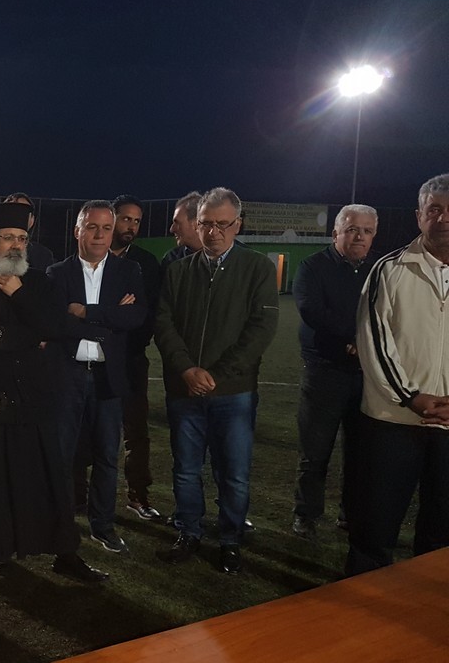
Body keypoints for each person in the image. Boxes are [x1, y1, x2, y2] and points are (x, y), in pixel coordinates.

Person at [0, 201, 106, 582]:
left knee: (51, 480)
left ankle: (65, 553)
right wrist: (28, 336)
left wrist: (19, 294)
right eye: (7, 237)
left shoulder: (39, 282)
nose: (15, 245)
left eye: (21, 238)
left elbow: (56, 328)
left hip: (38, 399)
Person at [155, 188, 278, 573]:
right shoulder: (177, 271)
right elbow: (163, 324)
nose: (214, 232)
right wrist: (186, 370)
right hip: (184, 391)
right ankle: (188, 532)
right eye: (206, 224)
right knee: (185, 469)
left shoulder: (257, 268)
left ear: (238, 224)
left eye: (222, 224)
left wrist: (216, 375)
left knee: (234, 474)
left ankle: (230, 540)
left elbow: (261, 329)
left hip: (234, 393)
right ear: (197, 225)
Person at [348, 173, 449, 576]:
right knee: (375, 526)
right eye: (434, 209)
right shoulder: (389, 270)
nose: (443, 218)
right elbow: (373, 340)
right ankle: (361, 597)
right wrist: (411, 397)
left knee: (441, 528)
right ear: (419, 215)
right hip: (392, 421)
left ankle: (427, 602)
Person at [48, 200, 147, 554]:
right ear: (77, 231)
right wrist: (107, 320)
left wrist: (86, 312)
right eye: (92, 227)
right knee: (62, 455)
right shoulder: (57, 273)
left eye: (106, 228)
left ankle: (102, 526)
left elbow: (135, 317)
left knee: (107, 454)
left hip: (108, 378)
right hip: (68, 376)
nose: (100, 235)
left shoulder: (129, 270)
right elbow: (58, 324)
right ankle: (60, 524)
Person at [290, 204, 378, 539]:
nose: (359, 236)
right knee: (315, 452)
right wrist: (353, 337)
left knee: (360, 451)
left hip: (368, 374)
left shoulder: (380, 268)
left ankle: (351, 514)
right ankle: (306, 514)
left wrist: (363, 342)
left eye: (367, 231)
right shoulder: (312, 267)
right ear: (336, 233)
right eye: (352, 229)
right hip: (324, 372)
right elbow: (312, 310)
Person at [109, 194, 162, 519]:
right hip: (94, 358)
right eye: (126, 219)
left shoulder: (146, 263)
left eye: (137, 221)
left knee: (136, 432)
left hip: (131, 359)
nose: (131, 226)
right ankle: (79, 496)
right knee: (89, 431)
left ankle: (138, 495)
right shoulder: (91, 255)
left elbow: (147, 313)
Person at [162, 191, 205, 268]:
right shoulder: (171, 259)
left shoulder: (224, 256)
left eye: (177, 223)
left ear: (197, 224)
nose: (171, 229)